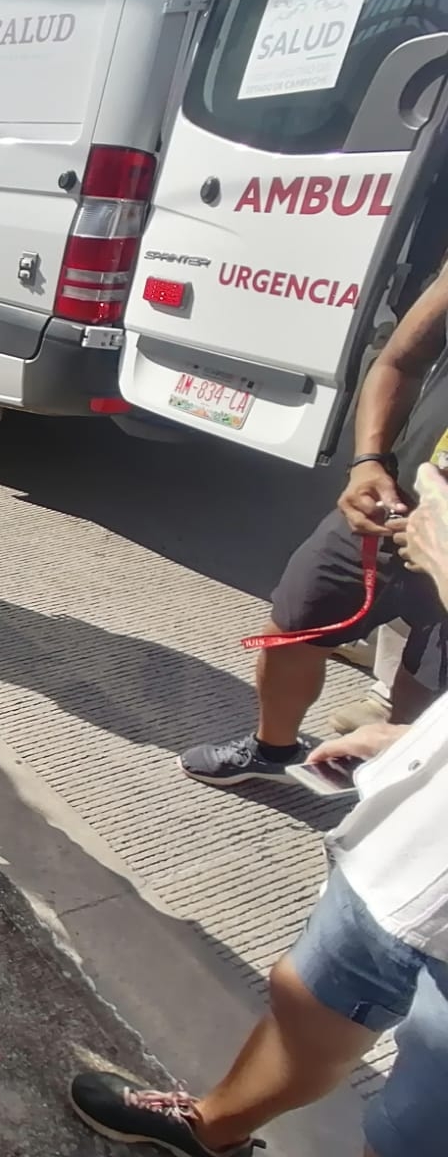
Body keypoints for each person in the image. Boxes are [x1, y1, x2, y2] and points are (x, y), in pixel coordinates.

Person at [67, 460, 448, 1157]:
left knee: (410, 1136)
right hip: (412, 854)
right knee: (308, 1002)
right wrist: (414, 737)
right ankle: (210, 1132)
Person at [179, 262, 448, 785]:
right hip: (394, 509)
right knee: (294, 624)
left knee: (420, 715)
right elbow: (401, 359)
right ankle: (272, 751)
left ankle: (388, 802)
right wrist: (369, 462)